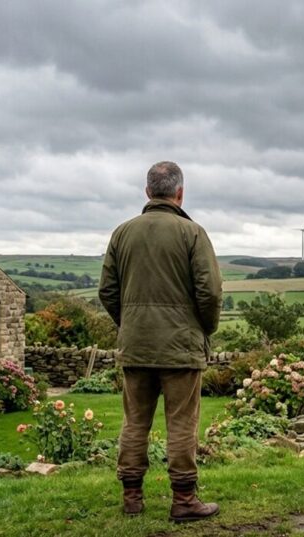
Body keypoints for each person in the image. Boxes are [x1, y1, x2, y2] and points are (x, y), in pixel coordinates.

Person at [99, 161, 223, 523]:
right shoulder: (192, 233)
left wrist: (131, 324)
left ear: (147, 191)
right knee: (182, 422)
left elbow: (107, 290)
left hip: (136, 345)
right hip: (181, 347)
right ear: (179, 193)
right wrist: (204, 329)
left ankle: (132, 497)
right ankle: (184, 499)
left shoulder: (122, 233)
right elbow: (210, 292)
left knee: (134, 421)